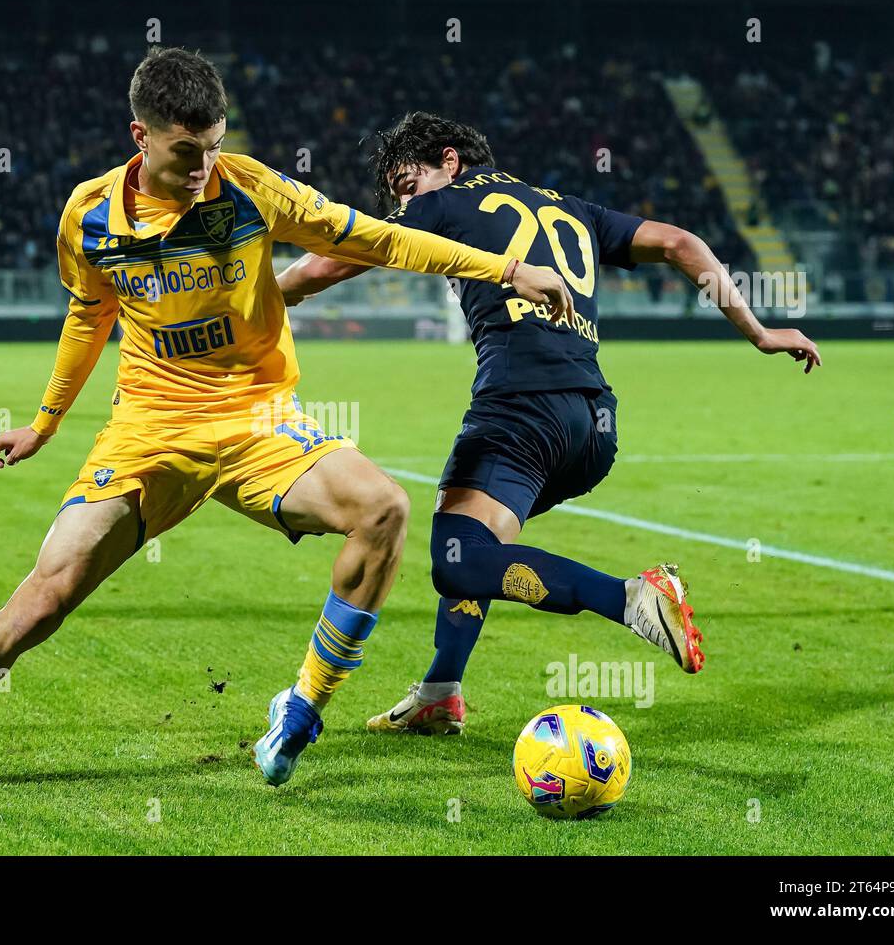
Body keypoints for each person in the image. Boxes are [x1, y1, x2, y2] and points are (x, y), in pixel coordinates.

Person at [0, 50, 573, 800]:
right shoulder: (89, 216)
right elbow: (88, 315)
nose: (203, 164)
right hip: (151, 428)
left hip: (259, 419)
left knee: (383, 507)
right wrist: (44, 423)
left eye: (215, 143)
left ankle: (301, 707)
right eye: (187, 149)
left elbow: (376, 237)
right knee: (43, 599)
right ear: (142, 136)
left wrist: (509, 270)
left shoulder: (251, 187)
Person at [276, 111, 822, 733]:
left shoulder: (445, 202)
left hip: (520, 410)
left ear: (449, 162)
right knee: (473, 539)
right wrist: (759, 333)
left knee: (456, 561)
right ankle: (440, 693)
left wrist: (271, 294)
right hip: (593, 427)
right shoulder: (571, 207)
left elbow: (334, 260)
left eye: (408, 186)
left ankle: (631, 598)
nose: (406, 204)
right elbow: (680, 243)